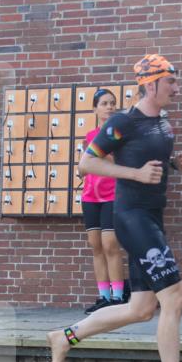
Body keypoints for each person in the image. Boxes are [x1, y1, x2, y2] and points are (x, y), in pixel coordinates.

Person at [47, 55, 182, 362]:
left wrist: (174, 163)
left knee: (140, 308)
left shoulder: (164, 124)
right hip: (132, 216)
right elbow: (87, 163)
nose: (176, 88)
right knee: (174, 299)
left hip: (152, 215)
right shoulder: (124, 121)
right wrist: (136, 175)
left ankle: (65, 336)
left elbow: (149, 159)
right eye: (170, 82)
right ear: (150, 84)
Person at [78, 88, 127, 313]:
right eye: (104, 103)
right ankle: (104, 296)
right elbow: (82, 167)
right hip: (90, 197)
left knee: (110, 245)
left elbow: (114, 160)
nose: (109, 107)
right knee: (96, 246)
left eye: (112, 103)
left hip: (112, 195)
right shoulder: (89, 135)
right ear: (95, 108)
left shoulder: (119, 135)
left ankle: (118, 296)